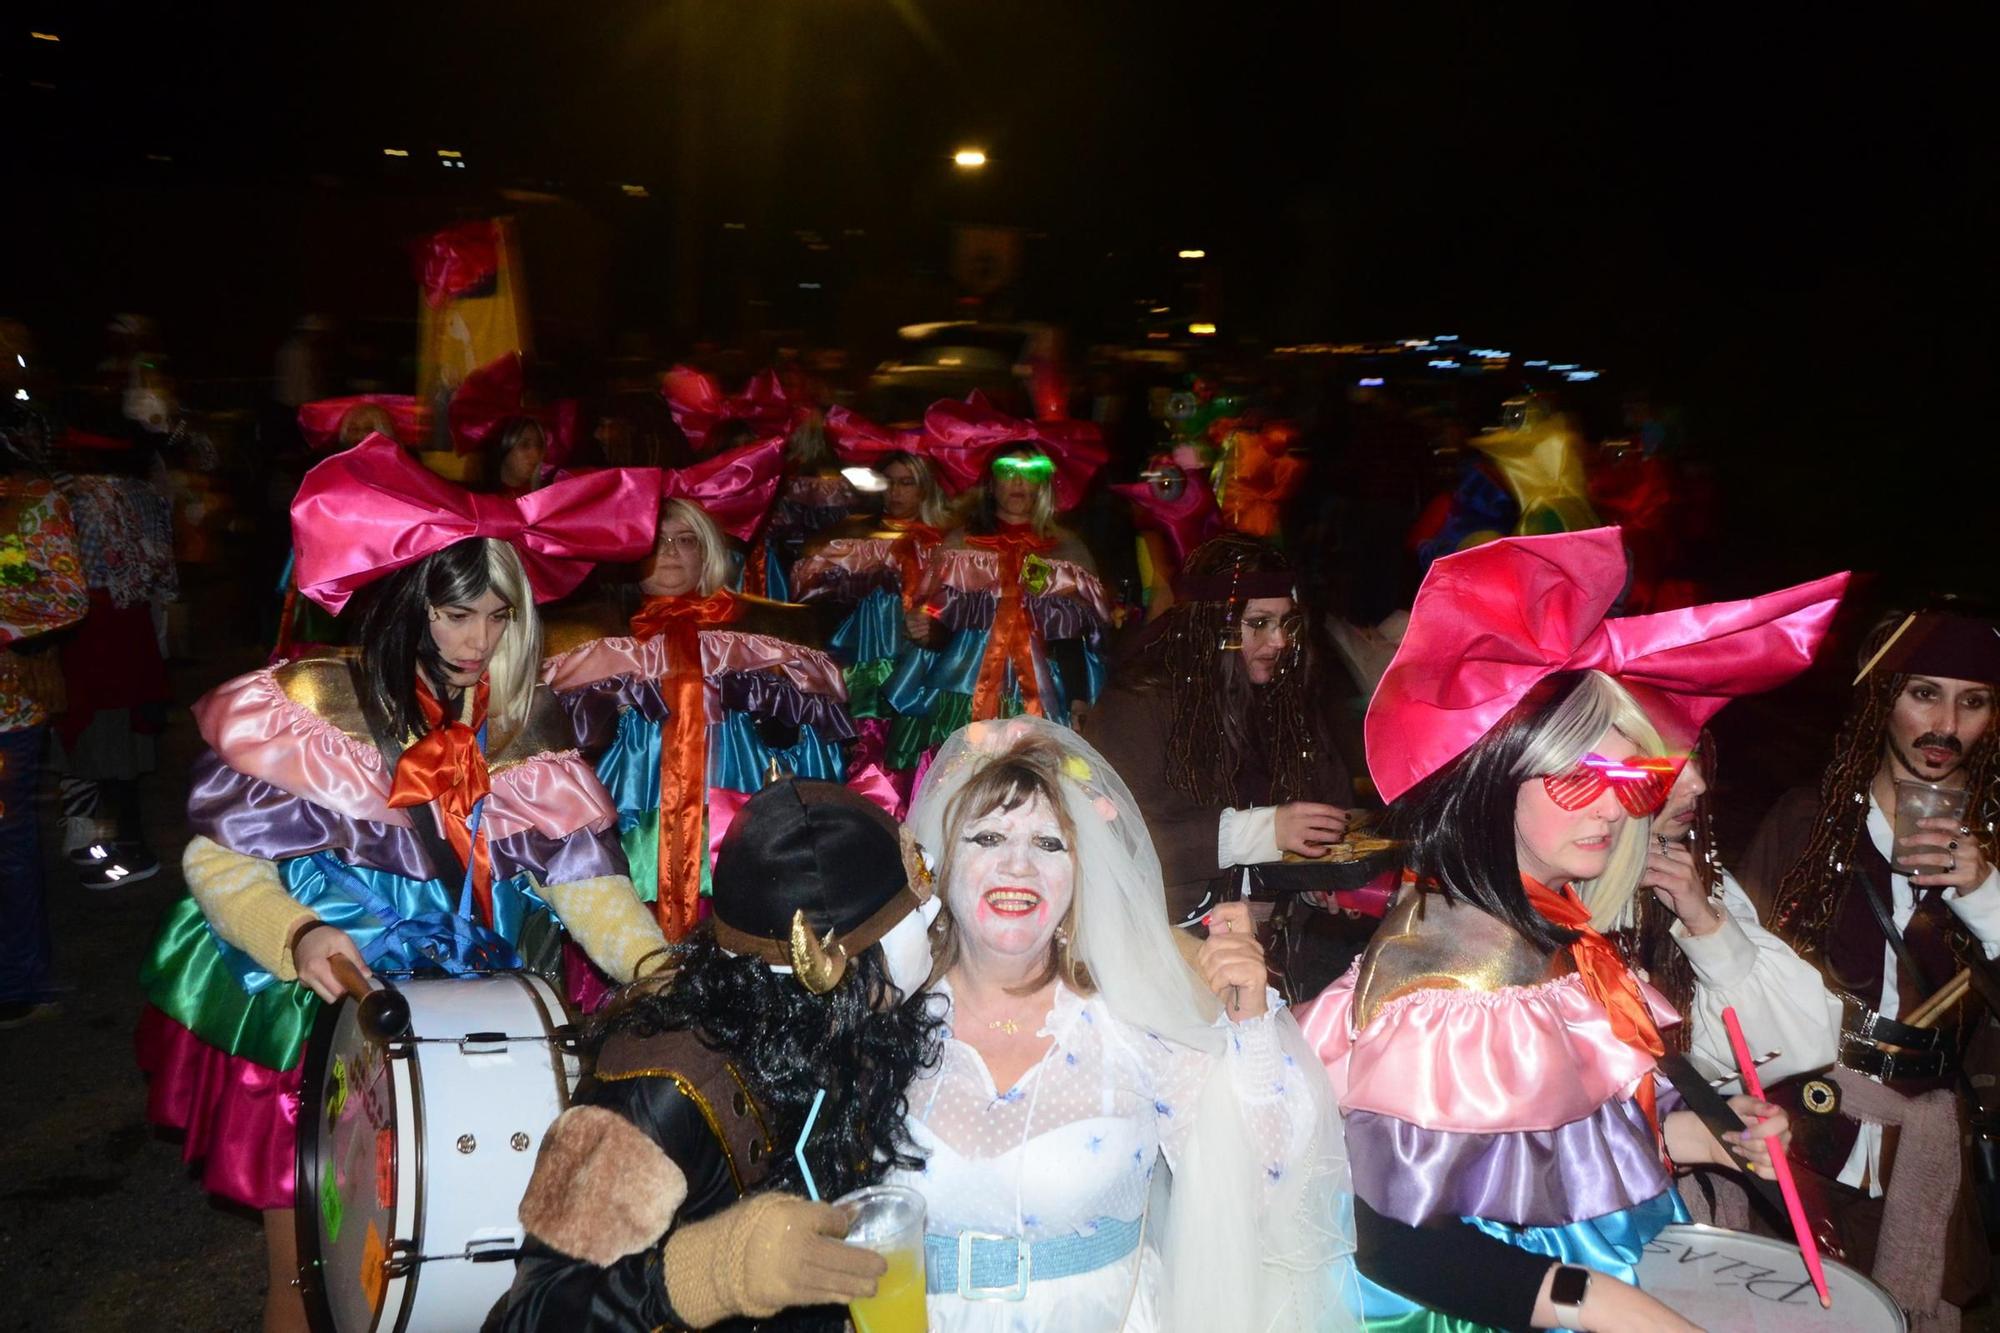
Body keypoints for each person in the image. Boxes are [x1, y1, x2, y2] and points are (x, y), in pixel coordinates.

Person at [134, 438, 672, 1333]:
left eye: (499, 618)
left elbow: (585, 884)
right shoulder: (310, 711)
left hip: (461, 1032)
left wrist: (652, 961)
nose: (479, 642)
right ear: (407, 609)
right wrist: (296, 933)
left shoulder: (524, 729)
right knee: (312, 1287)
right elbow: (216, 860)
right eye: (458, 616)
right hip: (313, 1014)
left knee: (455, 1276)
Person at [1299, 528, 1841, 1330]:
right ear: (1496, 778)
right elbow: (1390, 1242)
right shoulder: (1457, 982)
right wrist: (1611, 1307)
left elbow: (1543, 1157)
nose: (1611, 808)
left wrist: (1706, 1137)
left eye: (1627, 777)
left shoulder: (1544, 924)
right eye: (1574, 775)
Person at [896, 716, 1358, 1331]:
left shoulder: (1132, 1024)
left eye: (1049, 844)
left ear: (1082, 873)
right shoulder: (889, 1025)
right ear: (940, 863)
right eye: (987, 839)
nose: (1018, 866)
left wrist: (1249, 1024)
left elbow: (1265, 1187)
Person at [495, 777, 947, 1332]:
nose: (934, 913)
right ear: (829, 964)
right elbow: (536, 1316)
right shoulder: (658, 1085)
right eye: (912, 907)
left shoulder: (849, 1026)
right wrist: (712, 1272)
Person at [1753, 607, 2000, 1323]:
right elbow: (1736, 981)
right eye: (1924, 691)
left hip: (1929, 1152)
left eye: (1974, 700)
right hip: (1811, 1127)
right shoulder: (1806, 823)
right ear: (1880, 696)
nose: (1947, 723)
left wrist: (1984, 895)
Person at [544, 496, 877, 967]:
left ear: (708, 553)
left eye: (686, 541)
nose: (673, 552)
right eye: (657, 542)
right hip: (636, 815)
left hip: (733, 808)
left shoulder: (767, 636)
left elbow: (817, 748)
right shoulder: (589, 640)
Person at [1088, 535, 1354, 929]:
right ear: (1214, 622)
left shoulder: (1287, 698)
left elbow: (1330, 808)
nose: (1279, 641)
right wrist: (1261, 832)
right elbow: (1114, 841)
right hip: (1168, 937)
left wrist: (1318, 876)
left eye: (1286, 623)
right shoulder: (1139, 703)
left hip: (1275, 938)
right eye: (1258, 623)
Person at [793, 432, 956, 812]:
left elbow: (954, 604)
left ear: (927, 488)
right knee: (869, 745)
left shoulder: (947, 542)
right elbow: (812, 590)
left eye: (907, 483)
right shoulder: (858, 536)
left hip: (921, 661)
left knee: (916, 750)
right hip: (870, 655)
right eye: (890, 484)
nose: (896, 494)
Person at [0, 409, 89, 1028]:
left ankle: (18, 982)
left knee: (6, 847)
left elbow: (64, 597)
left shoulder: (29, 501)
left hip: (6, 709)